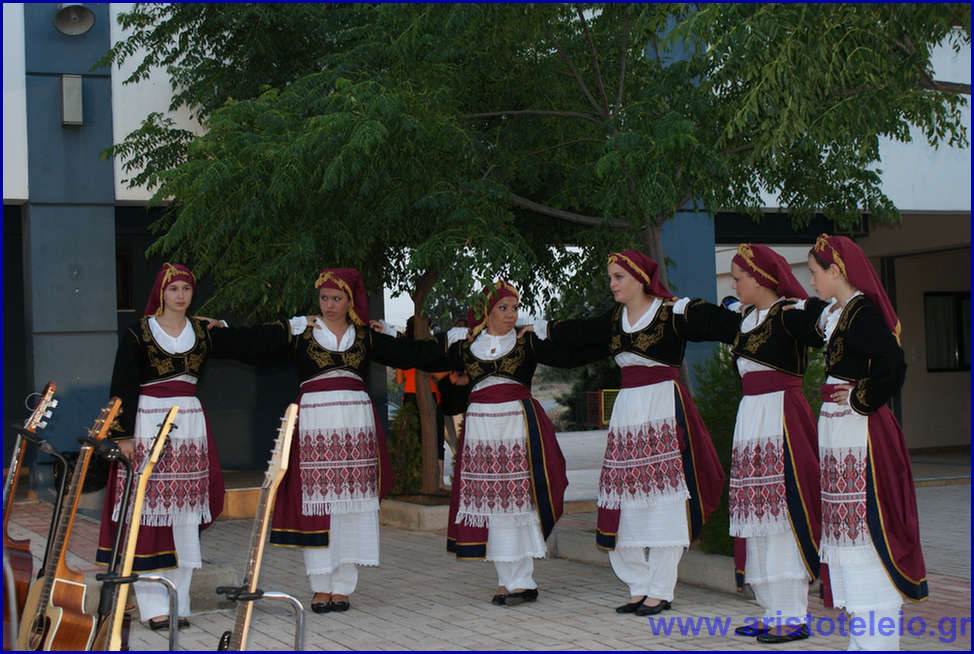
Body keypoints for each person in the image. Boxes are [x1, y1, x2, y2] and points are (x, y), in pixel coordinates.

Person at [96, 263, 292, 630]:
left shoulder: (202, 332)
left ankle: (179, 602)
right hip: (148, 423)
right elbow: (122, 383)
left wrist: (293, 327)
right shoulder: (140, 333)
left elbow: (248, 343)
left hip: (189, 426)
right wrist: (123, 435)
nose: (180, 295)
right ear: (161, 292)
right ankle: (152, 606)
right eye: (173, 289)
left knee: (184, 517)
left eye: (186, 289)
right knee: (147, 514)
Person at [537, 250, 724, 616]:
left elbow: (718, 325)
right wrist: (539, 333)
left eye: (618, 277)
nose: (612, 284)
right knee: (623, 502)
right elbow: (579, 334)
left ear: (640, 278)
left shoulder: (671, 314)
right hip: (628, 416)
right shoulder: (614, 320)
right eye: (610, 277)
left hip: (663, 410)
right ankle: (639, 585)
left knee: (666, 503)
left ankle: (661, 589)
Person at [268, 268, 451, 614]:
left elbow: (412, 355)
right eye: (324, 298)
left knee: (351, 506)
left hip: (356, 429)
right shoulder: (303, 332)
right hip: (316, 429)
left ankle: (343, 588)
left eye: (337, 298)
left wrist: (452, 340)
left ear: (350, 301)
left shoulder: (365, 336)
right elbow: (255, 346)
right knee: (319, 506)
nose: (329, 305)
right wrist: (218, 331)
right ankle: (321, 586)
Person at [411, 280, 602, 606]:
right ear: (487, 312)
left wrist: (554, 330)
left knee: (518, 504)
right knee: (495, 506)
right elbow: (420, 356)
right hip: (483, 433)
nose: (511, 314)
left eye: (514, 307)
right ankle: (507, 579)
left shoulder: (527, 342)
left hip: (517, 430)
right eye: (503, 308)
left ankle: (522, 582)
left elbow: (570, 356)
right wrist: (387, 335)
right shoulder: (467, 346)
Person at [669, 244, 824, 643]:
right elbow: (709, 318)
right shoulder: (745, 318)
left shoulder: (790, 316)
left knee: (783, 513)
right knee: (758, 515)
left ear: (760, 279)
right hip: (752, 420)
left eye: (739, 279)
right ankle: (771, 609)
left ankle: (793, 615)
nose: (734, 286)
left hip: (782, 419)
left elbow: (830, 331)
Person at [789, 234, 927, 650]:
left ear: (836, 271)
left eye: (815, 272)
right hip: (840, 433)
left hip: (861, 433)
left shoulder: (862, 313)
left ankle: (878, 640)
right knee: (848, 530)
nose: (811, 280)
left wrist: (858, 398)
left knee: (866, 527)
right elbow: (809, 319)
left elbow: (893, 365)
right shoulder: (839, 312)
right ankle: (863, 638)